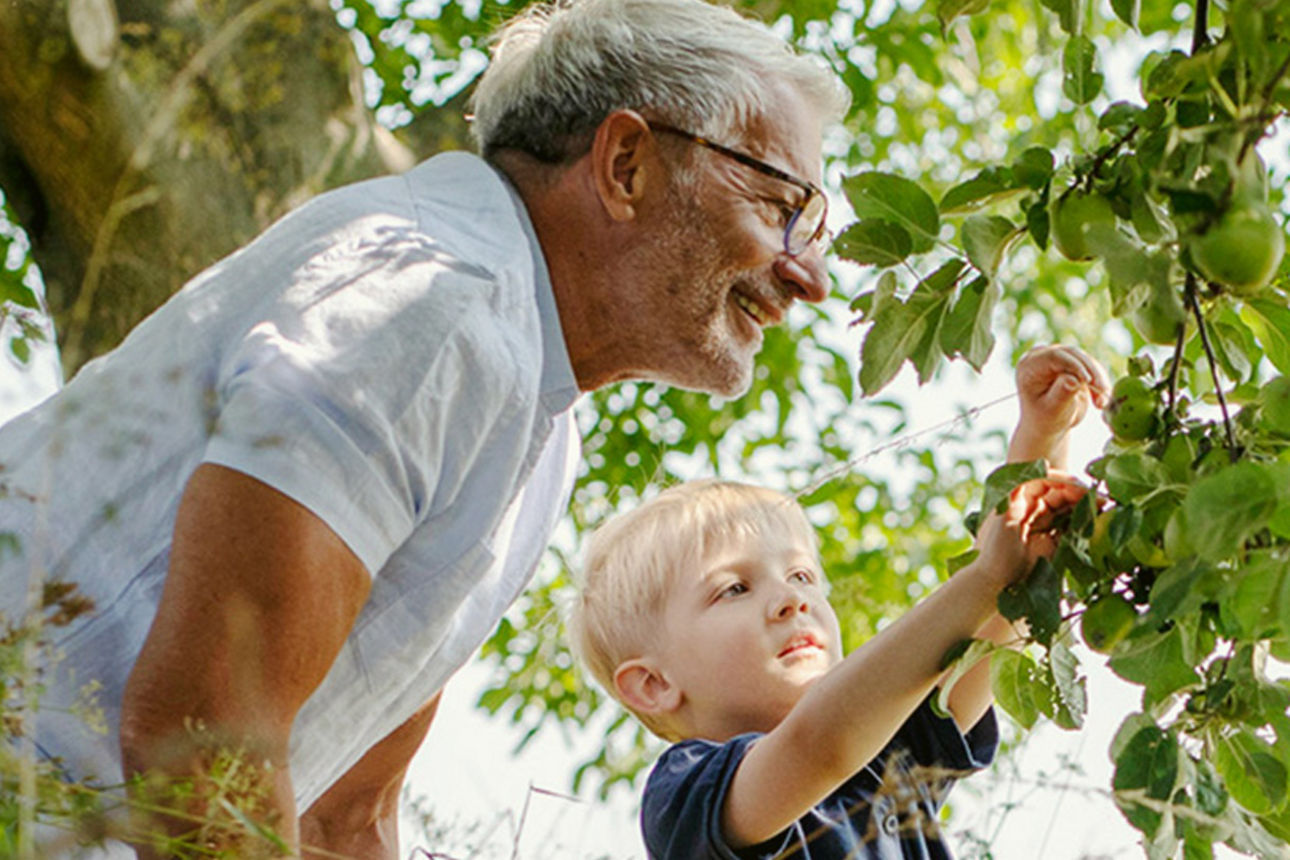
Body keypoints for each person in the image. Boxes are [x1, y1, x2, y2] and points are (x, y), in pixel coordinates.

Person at [0, 0, 851, 856]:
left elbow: (347, 820)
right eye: (781, 203)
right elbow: (203, 739)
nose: (809, 275)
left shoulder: (540, 433)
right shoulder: (433, 307)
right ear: (626, 163)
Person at [567, 346, 1108, 859]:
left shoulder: (890, 758)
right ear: (654, 684)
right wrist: (984, 576)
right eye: (734, 588)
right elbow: (818, 746)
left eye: (802, 575)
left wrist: (1042, 437)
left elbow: (989, 629)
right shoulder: (686, 791)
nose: (791, 600)